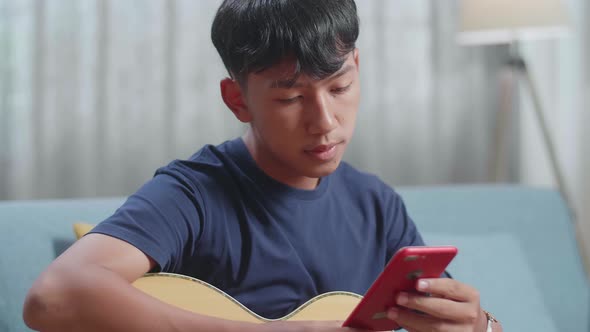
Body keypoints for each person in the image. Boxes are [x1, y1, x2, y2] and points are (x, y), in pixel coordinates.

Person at [23, 1, 502, 331]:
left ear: (357, 64)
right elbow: (53, 297)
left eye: (339, 87)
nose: (325, 121)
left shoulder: (377, 205)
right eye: (291, 97)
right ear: (238, 100)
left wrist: (479, 324)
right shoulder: (193, 193)